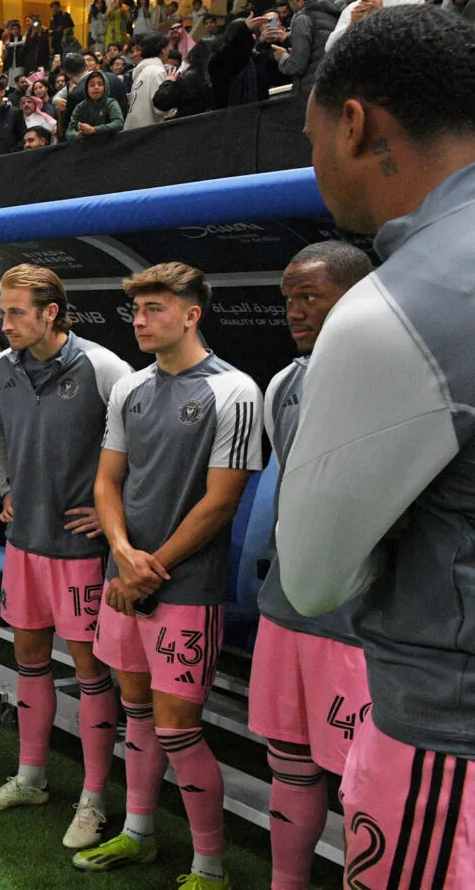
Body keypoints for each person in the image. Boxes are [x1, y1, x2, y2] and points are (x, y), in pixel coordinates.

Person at [277, 7, 475, 887]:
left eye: (312, 136)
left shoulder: (395, 307)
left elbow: (313, 574)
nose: (312, 161)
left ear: (354, 122)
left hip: (446, 746)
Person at [76, 262, 261, 890]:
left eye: (156, 309)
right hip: (123, 579)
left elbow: (221, 502)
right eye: (137, 310)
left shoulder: (235, 391)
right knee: (136, 713)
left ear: (192, 314)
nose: (141, 320)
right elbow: (107, 481)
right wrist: (124, 555)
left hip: (186, 591)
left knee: (178, 727)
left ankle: (210, 867)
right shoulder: (131, 388)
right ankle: (139, 833)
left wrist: (150, 567)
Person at [0, 266, 133, 850]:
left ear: (51, 312)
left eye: (16, 311)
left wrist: (116, 514)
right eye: (2, 309)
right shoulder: (0, 368)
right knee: (30, 661)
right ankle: (32, 778)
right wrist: (9, 485)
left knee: (91, 674)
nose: (5, 321)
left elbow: (146, 444)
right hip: (26, 546)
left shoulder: (103, 367)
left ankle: (94, 800)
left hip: (80, 554)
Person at [242, 242, 374, 890]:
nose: (294, 311)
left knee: (365, 785)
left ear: (357, 294)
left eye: (310, 296)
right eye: (289, 297)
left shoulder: (395, 379)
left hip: (360, 625)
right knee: (288, 760)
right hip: (287, 610)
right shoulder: (285, 383)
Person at [272, 0, 345, 95]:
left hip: (313, 91)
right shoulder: (339, 12)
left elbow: (297, 66)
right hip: (336, 84)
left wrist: (283, 57)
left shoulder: (302, 17)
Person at [125, 33, 171, 130]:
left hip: (134, 130)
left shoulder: (142, 70)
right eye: (167, 48)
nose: (169, 51)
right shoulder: (157, 71)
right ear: (162, 50)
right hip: (148, 131)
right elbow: (159, 109)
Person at [67, 71, 124, 140]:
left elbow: (119, 123)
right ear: (86, 89)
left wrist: (94, 129)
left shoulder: (111, 103)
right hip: (87, 146)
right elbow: (69, 132)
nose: (96, 87)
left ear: (105, 87)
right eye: (92, 85)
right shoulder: (80, 107)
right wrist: (78, 135)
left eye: (100, 84)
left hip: (108, 144)